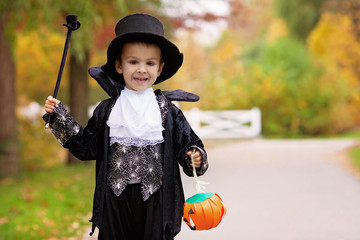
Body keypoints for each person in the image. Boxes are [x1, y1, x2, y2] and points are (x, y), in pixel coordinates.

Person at [44, 13, 208, 240]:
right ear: (119, 66)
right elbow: (87, 147)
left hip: (156, 202)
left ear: (160, 69)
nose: (142, 69)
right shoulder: (108, 110)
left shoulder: (167, 111)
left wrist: (195, 155)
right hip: (115, 201)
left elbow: (187, 144)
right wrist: (59, 118)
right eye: (133, 62)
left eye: (150, 63)